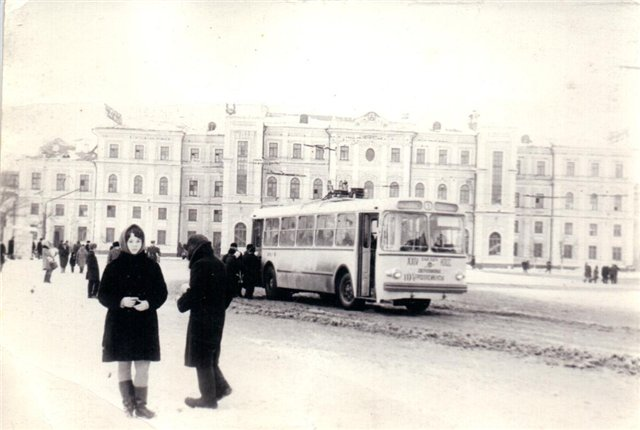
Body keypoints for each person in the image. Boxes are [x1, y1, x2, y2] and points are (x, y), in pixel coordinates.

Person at [97, 224, 168, 419]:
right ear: (124, 242)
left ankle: (141, 405)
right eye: (131, 241)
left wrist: (149, 303)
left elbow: (162, 293)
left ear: (143, 242)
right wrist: (120, 301)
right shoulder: (114, 266)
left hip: (145, 323)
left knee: (143, 366)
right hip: (120, 323)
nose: (135, 245)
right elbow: (102, 295)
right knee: (124, 364)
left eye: (138, 241)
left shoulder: (152, 266)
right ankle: (128, 404)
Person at [177, 234, 232, 409]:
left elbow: (196, 294)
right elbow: (230, 290)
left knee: (201, 357)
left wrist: (181, 301)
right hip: (217, 317)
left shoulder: (200, 265)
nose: (187, 252)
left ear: (194, 248)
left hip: (202, 318)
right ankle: (221, 388)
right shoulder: (219, 263)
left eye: (188, 248)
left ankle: (208, 399)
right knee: (210, 355)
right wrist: (219, 307)